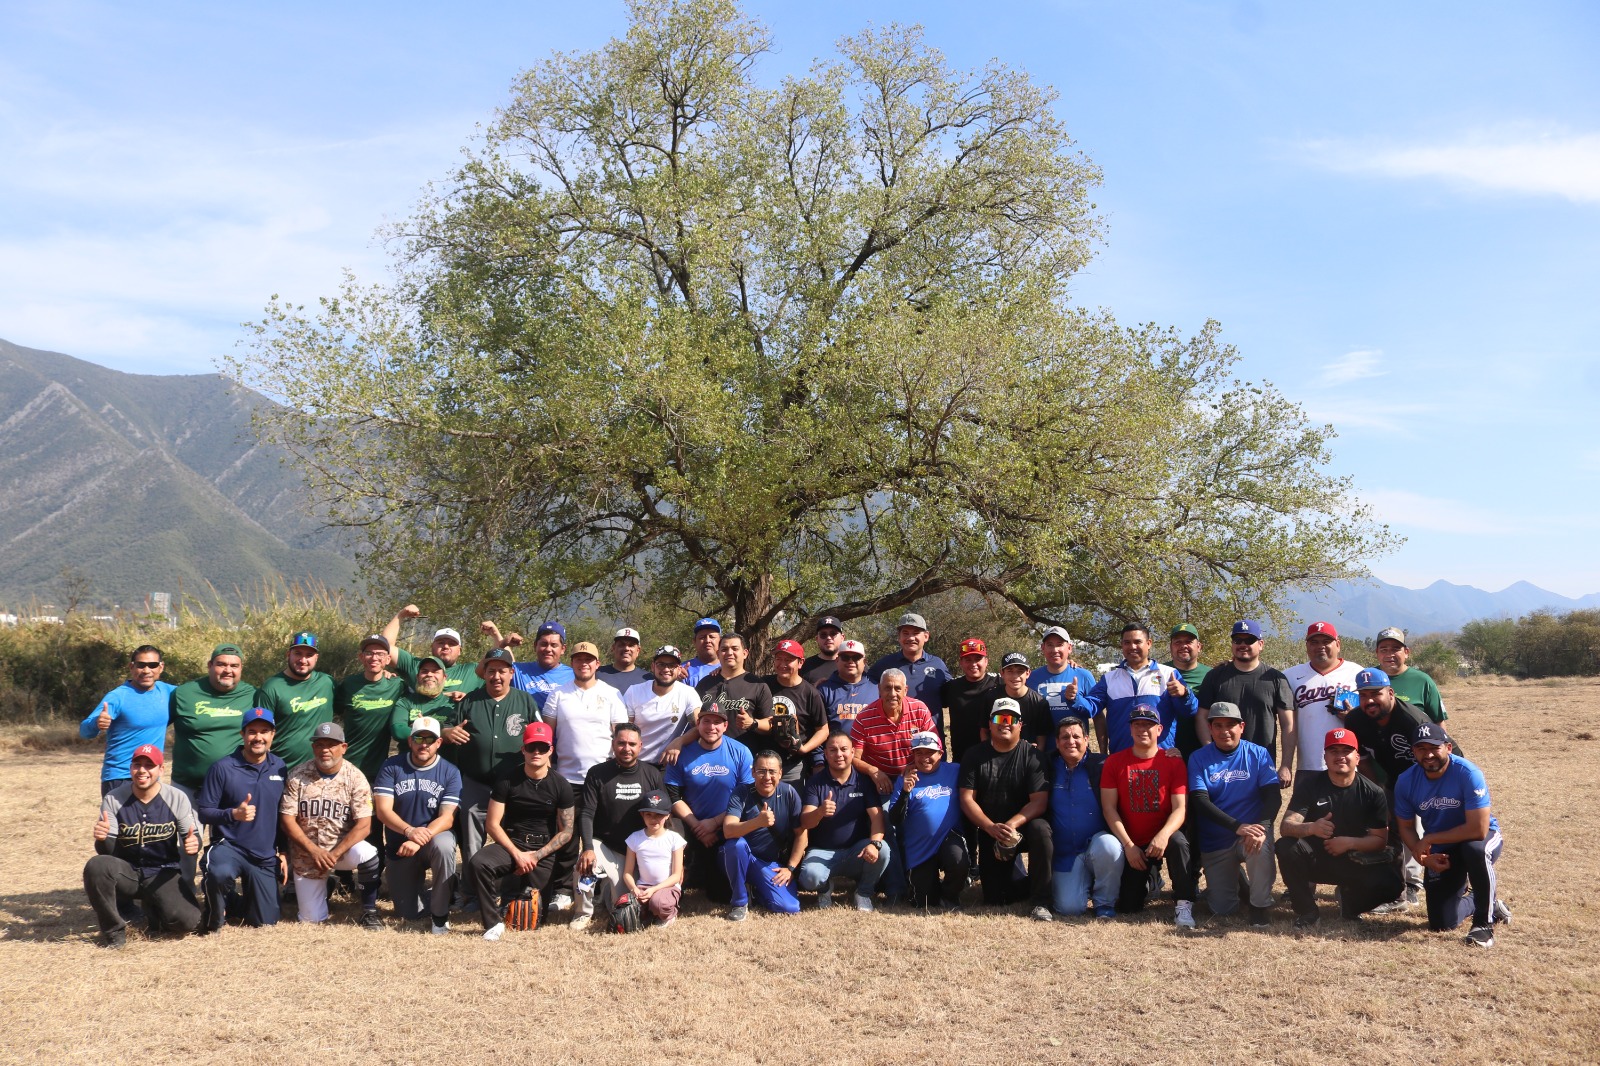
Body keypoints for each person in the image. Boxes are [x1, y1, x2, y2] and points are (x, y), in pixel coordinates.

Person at [441, 647, 545, 897]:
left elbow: (540, 734)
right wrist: (447, 732)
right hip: (475, 781)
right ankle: (473, 893)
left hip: (513, 784)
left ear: (511, 673)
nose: (496, 676)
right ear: (484, 673)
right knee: (471, 841)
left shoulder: (524, 700)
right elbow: (446, 726)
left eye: (501, 671)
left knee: (513, 837)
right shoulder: (470, 700)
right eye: (491, 671)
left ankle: (509, 891)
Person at [1274, 728, 1403, 927]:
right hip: (1315, 859)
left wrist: (1349, 843)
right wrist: (1311, 828)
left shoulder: (1373, 792)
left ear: (1357, 757)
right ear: (1325, 757)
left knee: (1393, 885)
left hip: (1355, 861)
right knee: (1285, 846)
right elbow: (1286, 826)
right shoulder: (1310, 785)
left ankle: (1351, 905)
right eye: (1333, 751)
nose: (1340, 756)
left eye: (1346, 751)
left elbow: (1380, 840)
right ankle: (1307, 911)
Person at [1394, 723, 1508, 947]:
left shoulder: (1468, 773)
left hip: (1481, 839)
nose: (1428, 755)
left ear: (1448, 747)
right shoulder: (1406, 781)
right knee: (1441, 922)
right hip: (1444, 848)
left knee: (1474, 850)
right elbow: (1405, 827)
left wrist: (1429, 839)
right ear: (1413, 751)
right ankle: (1486, 902)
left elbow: (1478, 829)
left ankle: (1483, 925)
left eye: (1434, 748)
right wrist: (1424, 858)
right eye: (1421, 749)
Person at [83, 744, 202, 948]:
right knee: (97, 865)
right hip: (127, 873)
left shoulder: (176, 797)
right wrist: (102, 839)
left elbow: (191, 836)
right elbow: (107, 851)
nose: (142, 770)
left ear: (161, 770)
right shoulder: (114, 798)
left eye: (149, 765)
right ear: (130, 768)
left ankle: (154, 909)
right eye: (137, 765)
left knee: (188, 922)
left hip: (162, 872)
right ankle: (114, 931)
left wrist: (194, 844)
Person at [471, 722, 576, 941]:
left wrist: (535, 856)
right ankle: (493, 923)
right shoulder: (507, 780)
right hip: (513, 844)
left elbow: (566, 831)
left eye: (542, 747)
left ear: (550, 750)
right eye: (531, 747)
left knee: (533, 917)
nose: (536, 752)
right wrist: (517, 855)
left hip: (543, 851)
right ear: (523, 749)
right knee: (479, 863)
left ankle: (512, 895)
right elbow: (492, 824)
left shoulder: (561, 785)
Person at [1342, 666, 1434, 911]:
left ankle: (1451, 884)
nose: (1369, 700)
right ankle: (1397, 894)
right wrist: (1379, 793)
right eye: (1363, 695)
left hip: (1432, 779)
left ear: (1390, 693)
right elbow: (1363, 761)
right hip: (1396, 780)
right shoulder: (1355, 720)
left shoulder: (1412, 720)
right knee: (1391, 830)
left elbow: (1438, 758)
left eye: (1376, 693)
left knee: (1438, 831)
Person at [1100, 700, 1197, 928]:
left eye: (1148, 725)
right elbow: (1109, 808)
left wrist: (1163, 835)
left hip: (1164, 837)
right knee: (1128, 907)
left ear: (1159, 729)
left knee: (1179, 842)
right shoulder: (1114, 762)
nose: (1143, 729)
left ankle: (1184, 903)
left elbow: (1180, 808)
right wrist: (1128, 845)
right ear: (1130, 729)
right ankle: (1151, 877)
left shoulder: (1173, 762)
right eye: (1137, 725)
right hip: (1134, 842)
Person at [1187, 702, 1282, 926]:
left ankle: (1260, 906)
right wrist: (1236, 826)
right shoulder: (1198, 758)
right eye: (1218, 725)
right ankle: (1237, 878)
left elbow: (1273, 797)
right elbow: (1200, 801)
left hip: (1250, 834)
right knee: (1223, 909)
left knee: (1260, 843)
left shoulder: (1258, 754)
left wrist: (1262, 828)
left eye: (1230, 725)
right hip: (1216, 839)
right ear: (1210, 729)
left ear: (1242, 727)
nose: (1224, 731)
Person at [278, 722, 381, 928]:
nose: (325, 749)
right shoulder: (297, 775)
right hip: (307, 856)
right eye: (320, 744)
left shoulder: (355, 777)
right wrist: (314, 850)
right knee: (311, 920)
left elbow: (364, 825)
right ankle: (327, 884)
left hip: (342, 851)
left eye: (331, 744)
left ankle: (370, 911)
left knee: (368, 853)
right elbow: (287, 820)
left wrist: (335, 853)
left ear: (343, 747)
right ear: (313, 747)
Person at [195, 707, 288, 931]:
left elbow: (282, 814)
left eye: (264, 731)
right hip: (230, 846)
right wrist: (233, 814)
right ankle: (215, 914)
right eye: (252, 731)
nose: (258, 737)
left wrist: (284, 852)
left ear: (273, 735)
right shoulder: (222, 768)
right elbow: (205, 811)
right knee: (219, 873)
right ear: (242, 734)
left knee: (265, 921)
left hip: (263, 854)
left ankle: (230, 902)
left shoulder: (280, 767)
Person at [958, 702, 1052, 920]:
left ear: (1021, 725)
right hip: (992, 830)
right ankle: (1024, 881)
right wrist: (990, 827)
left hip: (1024, 827)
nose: (1005, 724)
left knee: (1041, 829)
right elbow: (967, 799)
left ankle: (1042, 899)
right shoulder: (974, 755)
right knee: (996, 898)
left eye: (1011, 719)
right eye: (999, 719)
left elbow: (1039, 802)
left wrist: (1012, 824)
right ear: (990, 724)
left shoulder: (1033, 756)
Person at [373, 717, 462, 934]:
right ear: (410, 741)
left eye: (430, 739)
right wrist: (409, 831)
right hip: (401, 845)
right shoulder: (391, 766)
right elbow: (383, 811)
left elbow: (447, 818)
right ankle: (449, 888)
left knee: (444, 846)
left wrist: (419, 837)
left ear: (439, 743)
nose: (424, 744)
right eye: (418, 738)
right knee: (408, 913)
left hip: (433, 838)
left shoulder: (450, 771)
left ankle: (440, 916)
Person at [573, 723, 666, 931]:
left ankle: (605, 890)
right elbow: (587, 813)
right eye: (621, 743)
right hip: (605, 844)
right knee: (583, 865)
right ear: (613, 744)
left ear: (640, 746)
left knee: (622, 904)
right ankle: (582, 913)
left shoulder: (652, 774)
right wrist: (587, 847)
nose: (626, 748)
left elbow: (663, 815)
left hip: (636, 850)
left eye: (632, 744)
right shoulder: (597, 773)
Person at [664, 697, 754, 903]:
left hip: (726, 825)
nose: (711, 727)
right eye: (706, 721)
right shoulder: (682, 754)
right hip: (692, 824)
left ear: (725, 726)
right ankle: (673, 887)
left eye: (717, 722)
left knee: (719, 895)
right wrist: (698, 826)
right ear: (698, 724)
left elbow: (747, 796)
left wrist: (714, 823)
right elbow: (673, 796)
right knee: (670, 830)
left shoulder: (740, 752)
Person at [798, 730, 891, 910]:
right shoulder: (815, 783)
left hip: (856, 851)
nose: (839, 754)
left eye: (844, 749)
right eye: (833, 750)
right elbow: (805, 822)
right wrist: (820, 812)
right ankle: (825, 889)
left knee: (883, 850)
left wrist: (874, 844)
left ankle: (863, 893)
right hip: (822, 851)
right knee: (809, 878)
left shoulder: (864, 782)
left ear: (852, 752)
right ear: (826, 754)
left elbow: (877, 819)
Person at [1195, 620, 1296, 787]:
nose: (1243, 644)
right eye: (1237, 640)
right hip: (1223, 766)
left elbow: (1288, 725)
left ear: (1261, 644)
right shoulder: (1215, 676)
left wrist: (1286, 765)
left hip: (1262, 764)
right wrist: (1210, 751)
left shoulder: (1276, 679)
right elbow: (1201, 717)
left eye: (1249, 640)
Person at [1073, 624, 1197, 755]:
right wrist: (1075, 698)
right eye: (1127, 642)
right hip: (1121, 758)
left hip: (1159, 758)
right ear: (1122, 645)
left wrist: (1184, 694)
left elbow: (1190, 711)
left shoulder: (1168, 674)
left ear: (1149, 643)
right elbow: (1090, 708)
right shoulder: (1109, 679)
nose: (1132, 647)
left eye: (1137, 642)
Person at [1046, 716, 1122, 918]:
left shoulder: (1102, 765)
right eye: (1065, 737)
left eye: (1076, 736)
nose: (1071, 741)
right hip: (1066, 854)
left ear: (1087, 739)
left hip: (1096, 844)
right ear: (1057, 742)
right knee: (1069, 909)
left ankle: (1104, 902)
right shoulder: (1047, 766)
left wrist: (1170, 753)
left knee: (1110, 846)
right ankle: (1083, 883)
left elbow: (1134, 760)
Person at [885, 731, 966, 912]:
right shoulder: (905, 779)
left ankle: (950, 895)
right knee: (925, 902)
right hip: (919, 847)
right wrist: (905, 791)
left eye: (930, 752)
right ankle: (930, 887)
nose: (924, 758)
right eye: (919, 753)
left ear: (940, 753)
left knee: (958, 861)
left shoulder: (955, 771)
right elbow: (895, 819)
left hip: (948, 837)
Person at [721, 750, 807, 920]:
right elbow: (728, 830)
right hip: (740, 858)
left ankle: (755, 891)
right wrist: (757, 822)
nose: (767, 777)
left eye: (772, 771)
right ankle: (739, 903)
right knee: (736, 845)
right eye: (761, 771)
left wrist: (790, 868)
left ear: (780, 773)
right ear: (753, 772)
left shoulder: (789, 793)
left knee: (789, 907)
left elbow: (801, 834)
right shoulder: (741, 792)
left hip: (769, 864)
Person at [81, 645, 175, 795]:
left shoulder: (169, 692)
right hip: (120, 777)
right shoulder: (118, 696)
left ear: (161, 667)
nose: (146, 670)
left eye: (152, 665)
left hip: (151, 776)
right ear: (131, 667)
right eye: (141, 665)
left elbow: (195, 695)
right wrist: (96, 723)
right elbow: (84, 731)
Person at [168, 643, 258, 801]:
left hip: (234, 786)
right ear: (210, 665)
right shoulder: (184, 693)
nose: (228, 670)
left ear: (241, 668)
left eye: (234, 666)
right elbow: (155, 725)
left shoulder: (253, 696)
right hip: (187, 788)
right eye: (221, 664)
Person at [544, 641, 630, 788]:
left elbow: (621, 735)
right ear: (572, 663)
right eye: (579, 659)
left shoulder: (612, 694)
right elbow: (546, 736)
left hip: (604, 778)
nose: (583, 664)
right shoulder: (557, 694)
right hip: (565, 779)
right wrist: (546, 772)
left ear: (597, 664)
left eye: (588, 660)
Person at [1285, 621, 1364, 779]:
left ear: (1338, 644)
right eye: (1314, 642)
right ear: (1307, 646)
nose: (1320, 646)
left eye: (1326, 641)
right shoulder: (1290, 676)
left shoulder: (1357, 673)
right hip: (1308, 765)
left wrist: (1354, 717)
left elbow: (1372, 717)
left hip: (1348, 764)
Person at [257, 631, 338, 771]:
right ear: (288, 654)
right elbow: (260, 732)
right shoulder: (271, 688)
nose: (303, 660)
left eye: (309, 655)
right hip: (282, 769)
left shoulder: (327, 683)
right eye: (298, 653)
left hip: (321, 769)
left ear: (316, 658)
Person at [850, 668, 937, 795]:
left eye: (897, 688)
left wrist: (916, 765)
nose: (892, 694)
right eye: (887, 688)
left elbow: (934, 748)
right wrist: (872, 771)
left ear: (905, 690)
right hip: (880, 781)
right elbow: (853, 757)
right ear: (879, 689)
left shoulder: (920, 710)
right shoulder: (864, 717)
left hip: (916, 776)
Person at [867, 612, 952, 740]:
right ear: (899, 637)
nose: (910, 638)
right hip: (894, 741)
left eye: (916, 633)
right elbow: (862, 686)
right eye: (905, 633)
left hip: (931, 740)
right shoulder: (885, 664)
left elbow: (953, 694)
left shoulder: (938, 665)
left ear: (926, 636)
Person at [337, 634, 405, 789]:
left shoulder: (397, 685)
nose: (374, 658)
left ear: (388, 659)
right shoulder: (349, 684)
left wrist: (449, 695)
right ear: (361, 657)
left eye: (380, 654)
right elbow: (336, 710)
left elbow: (422, 695)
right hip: (347, 764)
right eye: (369, 653)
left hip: (379, 768)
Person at [761, 639, 831, 783]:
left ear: (800, 663)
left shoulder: (810, 693)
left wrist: (803, 749)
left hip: (792, 766)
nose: (782, 664)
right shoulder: (763, 684)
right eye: (778, 659)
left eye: (788, 660)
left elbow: (823, 730)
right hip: (763, 762)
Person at [382, 605, 486, 699]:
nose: (446, 646)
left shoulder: (472, 670)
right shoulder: (415, 665)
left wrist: (494, 635)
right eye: (441, 642)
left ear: (460, 650)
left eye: (451, 644)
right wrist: (401, 615)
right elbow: (385, 647)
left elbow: (496, 664)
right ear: (432, 647)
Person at [621, 645, 700, 765]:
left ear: (679, 669)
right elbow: (625, 729)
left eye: (672, 665)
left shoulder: (688, 693)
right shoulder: (634, 691)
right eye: (661, 664)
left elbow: (699, 726)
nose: (666, 669)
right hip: (635, 762)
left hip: (668, 764)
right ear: (653, 666)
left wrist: (680, 741)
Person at [622, 790, 687, 927]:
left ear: (668, 815)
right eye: (649, 815)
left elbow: (676, 876)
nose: (653, 819)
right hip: (643, 887)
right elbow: (627, 872)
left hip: (667, 887)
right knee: (626, 907)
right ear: (642, 815)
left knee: (658, 903)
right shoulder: (634, 838)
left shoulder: (674, 839)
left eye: (659, 815)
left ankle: (669, 914)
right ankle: (649, 912)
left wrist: (654, 890)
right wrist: (634, 889)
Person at [694, 632, 773, 743]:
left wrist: (753, 723)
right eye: (724, 649)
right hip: (707, 751)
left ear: (745, 653)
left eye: (735, 649)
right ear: (718, 654)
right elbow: (694, 721)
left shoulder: (758, 685)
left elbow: (771, 724)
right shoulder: (704, 684)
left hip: (745, 751)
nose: (729, 653)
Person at [941, 637, 1000, 762]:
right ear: (961, 663)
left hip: (994, 757)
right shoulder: (951, 687)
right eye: (968, 660)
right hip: (962, 758)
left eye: (978, 659)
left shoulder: (999, 683)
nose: (973, 664)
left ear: (986, 661)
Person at [1028, 626, 1096, 732]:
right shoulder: (1031, 678)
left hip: (1073, 742)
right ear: (1043, 648)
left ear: (1069, 648)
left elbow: (1095, 713)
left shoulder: (1084, 676)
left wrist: (1076, 698)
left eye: (1060, 644)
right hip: (1041, 743)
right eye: (1050, 645)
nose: (1055, 650)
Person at [1373, 627, 1448, 723]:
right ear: (1377, 652)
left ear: (1406, 652)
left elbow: (1438, 723)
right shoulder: (1366, 678)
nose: (1389, 654)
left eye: (1395, 649)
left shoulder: (1423, 681)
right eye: (1384, 650)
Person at [506, 621, 576, 711]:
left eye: (554, 645)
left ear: (563, 649)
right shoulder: (518, 671)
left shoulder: (574, 676)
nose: (548, 649)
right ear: (535, 646)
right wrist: (503, 643)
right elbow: (489, 669)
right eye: (544, 644)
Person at [1166, 625, 1212, 759]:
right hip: (1167, 749)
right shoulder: (1160, 672)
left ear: (1199, 646)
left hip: (1201, 749)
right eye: (1178, 642)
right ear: (1171, 647)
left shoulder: (1211, 675)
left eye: (1188, 641)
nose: (1183, 646)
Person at [389, 654, 455, 744]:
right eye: (424, 671)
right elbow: (398, 731)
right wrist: (441, 733)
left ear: (444, 677)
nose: (429, 674)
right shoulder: (405, 702)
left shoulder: (453, 704)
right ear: (417, 677)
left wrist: (417, 729)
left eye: (435, 671)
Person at [817, 640, 877, 736]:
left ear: (864, 662)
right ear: (837, 660)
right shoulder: (824, 690)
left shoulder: (877, 689)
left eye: (856, 658)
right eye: (845, 657)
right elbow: (817, 729)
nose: (850, 661)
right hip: (835, 745)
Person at [994, 653, 1051, 751]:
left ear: (1028, 673)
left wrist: (1035, 755)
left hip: (1028, 755)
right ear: (1002, 673)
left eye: (1020, 671)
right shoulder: (992, 698)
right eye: (1010, 671)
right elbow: (984, 731)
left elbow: (1041, 738)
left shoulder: (1039, 703)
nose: (1015, 676)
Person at [597, 627, 649, 693]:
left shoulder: (648, 680)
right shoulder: (597, 674)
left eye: (631, 645)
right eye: (622, 645)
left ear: (638, 651)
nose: (626, 648)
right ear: (613, 648)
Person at [801, 615, 845, 686]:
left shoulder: (852, 664)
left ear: (842, 638)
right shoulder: (804, 666)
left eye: (833, 634)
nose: (828, 638)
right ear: (817, 639)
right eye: (823, 634)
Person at [684, 618, 723, 687]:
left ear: (720, 641)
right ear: (694, 642)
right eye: (702, 637)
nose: (707, 640)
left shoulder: (729, 668)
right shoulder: (683, 670)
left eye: (712, 637)